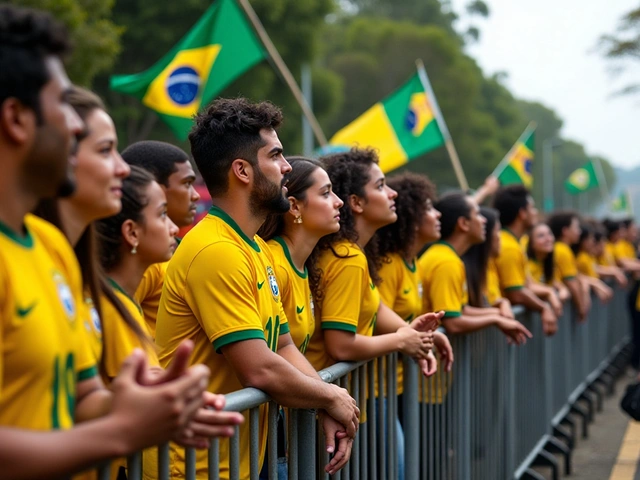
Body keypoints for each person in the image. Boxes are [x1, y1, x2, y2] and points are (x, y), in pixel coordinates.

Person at [0, 6, 209, 478]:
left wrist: (155, 404)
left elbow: (80, 396)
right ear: (16, 119)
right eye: (61, 107)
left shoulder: (50, 247)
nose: (74, 126)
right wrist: (121, 433)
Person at [154, 98, 359, 480]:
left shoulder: (256, 248)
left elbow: (282, 347)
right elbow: (260, 370)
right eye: (276, 155)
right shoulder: (217, 250)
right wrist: (331, 395)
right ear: (242, 171)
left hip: (235, 461)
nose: (286, 167)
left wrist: (323, 404)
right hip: (192, 467)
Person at [258, 156, 343, 354]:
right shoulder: (274, 266)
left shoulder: (301, 264)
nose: (339, 202)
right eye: (325, 193)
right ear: (294, 206)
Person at [420, 193, 531, 344]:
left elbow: (461, 309)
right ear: (463, 224)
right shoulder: (446, 262)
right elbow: (453, 323)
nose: (484, 220)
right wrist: (495, 319)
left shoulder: (448, 257)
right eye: (477, 214)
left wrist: (497, 313)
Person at [122, 141, 201, 338]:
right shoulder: (146, 261)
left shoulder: (175, 248)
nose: (196, 195)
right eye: (186, 184)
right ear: (152, 187)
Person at [493, 185, 558, 335]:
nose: (535, 212)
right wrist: (544, 307)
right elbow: (515, 292)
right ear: (522, 213)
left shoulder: (513, 243)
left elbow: (526, 285)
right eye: (532, 208)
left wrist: (549, 293)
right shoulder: (508, 246)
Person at [463, 206, 514, 317]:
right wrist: (498, 314)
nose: (501, 237)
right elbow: (458, 313)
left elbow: (487, 302)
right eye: (498, 231)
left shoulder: (487, 267)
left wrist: (502, 302)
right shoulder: (456, 265)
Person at [547, 211, 590, 321]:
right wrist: (581, 308)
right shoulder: (563, 250)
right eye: (576, 228)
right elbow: (571, 281)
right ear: (565, 231)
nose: (579, 232)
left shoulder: (560, 248)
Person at [526, 223, 570, 304]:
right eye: (541, 236)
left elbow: (554, 282)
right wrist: (550, 292)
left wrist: (563, 289)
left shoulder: (545, 262)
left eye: (549, 234)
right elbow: (528, 286)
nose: (548, 239)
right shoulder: (527, 264)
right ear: (531, 243)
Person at [574, 223, 613, 303]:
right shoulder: (582, 258)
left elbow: (595, 270)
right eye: (590, 238)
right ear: (583, 241)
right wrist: (596, 285)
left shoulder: (588, 256)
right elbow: (582, 276)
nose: (593, 241)